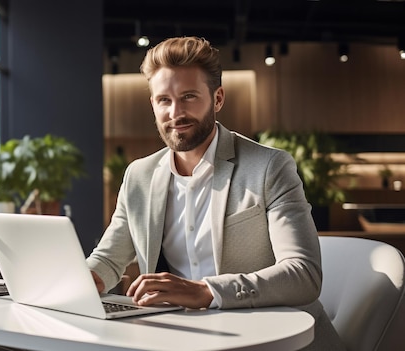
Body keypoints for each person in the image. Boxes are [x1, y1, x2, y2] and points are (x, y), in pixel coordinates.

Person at [86, 36, 345, 350]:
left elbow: (303, 275)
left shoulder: (269, 167)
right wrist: (84, 280)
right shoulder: (139, 176)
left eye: (189, 97)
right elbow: (108, 259)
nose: (175, 112)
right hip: (185, 338)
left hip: (274, 338)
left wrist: (205, 291)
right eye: (163, 100)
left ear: (218, 98)